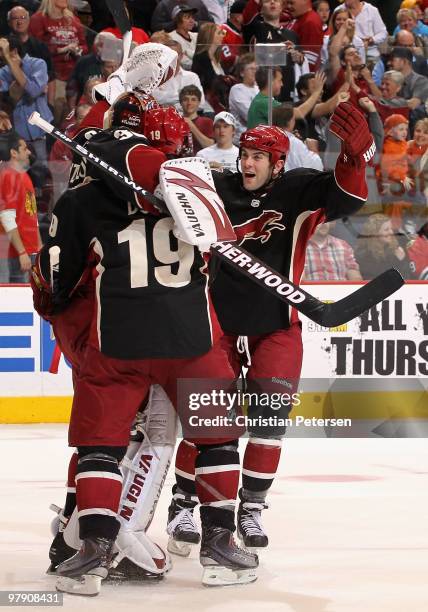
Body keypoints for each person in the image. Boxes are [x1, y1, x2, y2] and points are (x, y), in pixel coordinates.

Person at [33, 92, 258, 594]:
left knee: (100, 449)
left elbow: (58, 283)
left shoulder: (80, 201)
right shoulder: (202, 191)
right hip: (192, 339)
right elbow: (215, 263)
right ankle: (220, 546)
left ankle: (91, 553)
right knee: (216, 440)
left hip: (118, 343)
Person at [167, 102, 376, 552]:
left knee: (268, 422)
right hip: (216, 325)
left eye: (258, 156)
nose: (247, 162)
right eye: (245, 153)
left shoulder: (298, 190)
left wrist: (353, 159)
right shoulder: (216, 187)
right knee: (206, 422)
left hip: (276, 326)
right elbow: (170, 192)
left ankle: (252, 508)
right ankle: (183, 501)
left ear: (278, 163)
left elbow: (350, 197)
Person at [29, 0, 88, 125]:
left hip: (74, 74)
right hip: (54, 75)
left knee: (72, 115)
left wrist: (77, 49)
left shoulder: (73, 19)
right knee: (56, 112)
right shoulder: (39, 19)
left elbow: (84, 45)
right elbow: (35, 47)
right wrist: (62, 49)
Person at [0, 35, 53, 163]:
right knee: (21, 171)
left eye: (2, 51)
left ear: (13, 51)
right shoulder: (3, 72)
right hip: (18, 132)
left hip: (41, 130)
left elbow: (33, 90)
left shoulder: (38, 64)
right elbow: (11, 97)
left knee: (42, 169)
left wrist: (9, 60)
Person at [0, 130, 41, 282]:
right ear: (14, 153)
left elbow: (32, 214)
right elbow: (7, 217)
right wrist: (22, 252)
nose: (29, 152)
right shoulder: (8, 176)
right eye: (24, 149)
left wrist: (39, 245)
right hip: (15, 253)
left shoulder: (24, 176)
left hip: (28, 249)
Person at [354, 213, 415, 280]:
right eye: (386, 230)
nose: (391, 232)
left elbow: (407, 275)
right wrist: (397, 260)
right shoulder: (363, 253)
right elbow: (379, 277)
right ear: (375, 233)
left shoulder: (396, 249)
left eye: (391, 229)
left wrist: (402, 260)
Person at [228, 53, 259, 144]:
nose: (255, 72)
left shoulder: (261, 89)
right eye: (251, 69)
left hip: (261, 139)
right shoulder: (237, 90)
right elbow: (251, 117)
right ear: (242, 73)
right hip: (242, 141)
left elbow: (274, 113)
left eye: (256, 69)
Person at [178, 84, 214, 154]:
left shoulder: (207, 122)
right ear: (180, 102)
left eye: (193, 100)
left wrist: (192, 126)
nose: (189, 103)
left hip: (200, 161)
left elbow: (210, 146)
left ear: (199, 102)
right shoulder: (175, 123)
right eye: (185, 99)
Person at [168, 4, 198, 70]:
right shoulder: (170, 38)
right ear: (177, 20)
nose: (191, 21)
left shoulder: (197, 36)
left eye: (192, 17)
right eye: (187, 17)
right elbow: (183, 63)